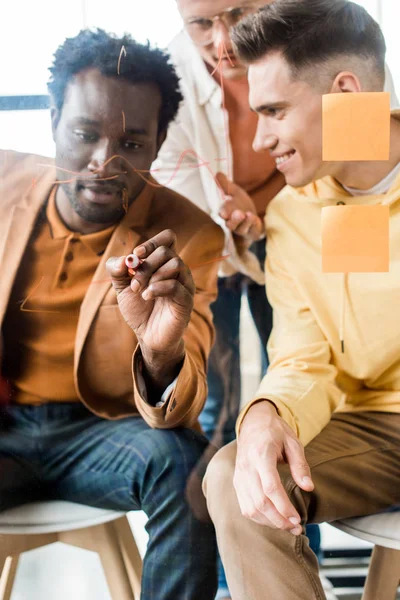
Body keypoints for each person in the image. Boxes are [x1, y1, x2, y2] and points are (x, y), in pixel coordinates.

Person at [0, 29, 225, 600]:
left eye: (131, 143)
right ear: (52, 119)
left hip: (102, 434)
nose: (105, 163)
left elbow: (184, 396)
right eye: (84, 134)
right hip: (4, 425)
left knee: (185, 469)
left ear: (157, 144)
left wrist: (159, 349)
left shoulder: (190, 235)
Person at [203, 1, 400, 598]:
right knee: (237, 474)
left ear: (346, 93)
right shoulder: (303, 212)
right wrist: (268, 413)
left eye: (274, 110)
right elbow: (310, 355)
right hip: (375, 429)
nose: (260, 139)